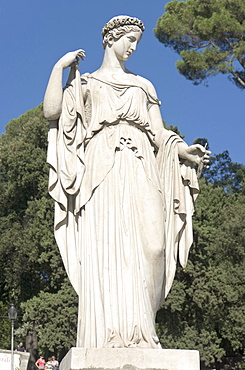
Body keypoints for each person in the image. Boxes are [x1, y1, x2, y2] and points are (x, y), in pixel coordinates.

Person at [44, 15, 210, 349]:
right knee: (106, 249)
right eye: (129, 40)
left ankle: (142, 330)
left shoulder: (143, 86)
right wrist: (58, 69)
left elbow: (159, 132)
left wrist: (183, 151)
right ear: (110, 38)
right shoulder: (86, 83)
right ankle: (110, 335)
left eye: (137, 42)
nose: (133, 48)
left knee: (154, 246)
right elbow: (52, 113)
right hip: (101, 170)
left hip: (142, 166)